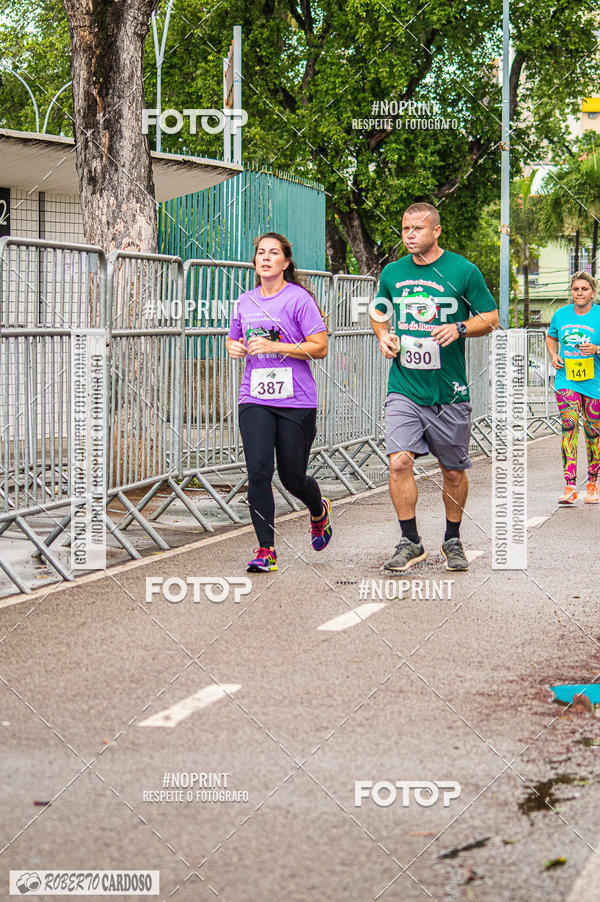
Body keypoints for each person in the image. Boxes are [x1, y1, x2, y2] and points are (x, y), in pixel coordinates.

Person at [370, 202, 499, 572]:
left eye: (418, 229)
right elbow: (379, 312)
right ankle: (410, 541)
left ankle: (452, 538)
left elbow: (491, 317)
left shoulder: (463, 270)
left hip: (449, 391)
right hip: (405, 387)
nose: (410, 235)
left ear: (436, 231)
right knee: (399, 462)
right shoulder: (393, 272)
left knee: (453, 471)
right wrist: (383, 336)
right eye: (405, 229)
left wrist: (459, 328)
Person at [226, 232, 333, 572]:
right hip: (254, 397)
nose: (266, 258)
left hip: (296, 400)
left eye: (273, 253)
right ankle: (266, 550)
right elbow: (233, 339)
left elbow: (320, 347)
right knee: (258, 472)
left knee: (292, 477)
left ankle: (318, 511)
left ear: (285, 262)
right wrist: (233, 347)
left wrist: (276, 347)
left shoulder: (298, 299)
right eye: (261, 253)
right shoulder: (244, 301)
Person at [545, 270, 600, 505]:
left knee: (593, 431)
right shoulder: (561, 314)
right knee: (569, 426)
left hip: (594, 382)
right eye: (576, 289)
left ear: (593, 292)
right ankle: (569, 485)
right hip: (566, 379)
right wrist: (553, 355)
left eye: (584, 289)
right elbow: (551, 337)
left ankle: (593, 482)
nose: (579, 293)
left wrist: (596, 349)